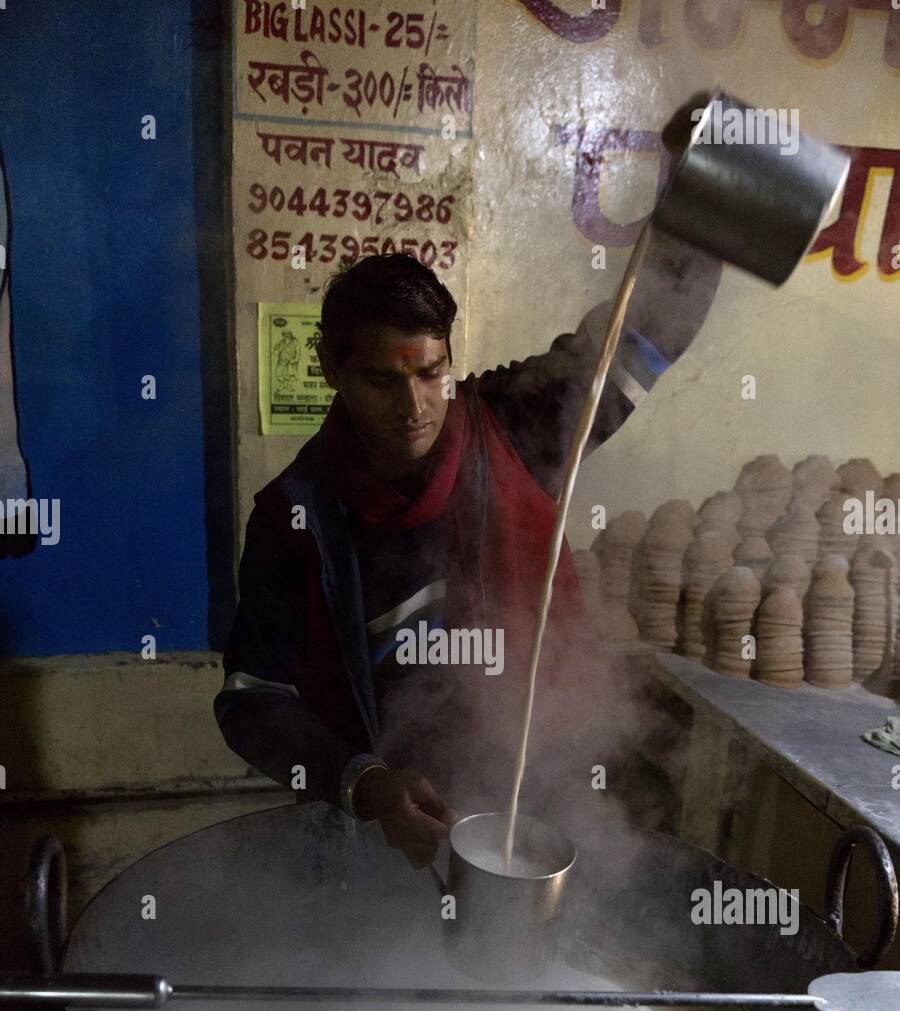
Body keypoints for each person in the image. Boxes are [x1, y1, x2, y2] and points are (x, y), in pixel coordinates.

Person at [215, 244, 720, 867]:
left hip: (535, 801)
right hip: (383, 836)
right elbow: (251, 699)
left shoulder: (515, 428)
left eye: (431, 373)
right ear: (330, 367)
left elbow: (646, 328)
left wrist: (691, 203)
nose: (413, 408)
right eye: (382, 380)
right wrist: (367, 785)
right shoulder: (293, 520)